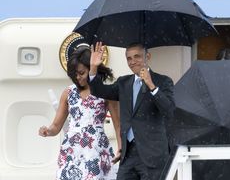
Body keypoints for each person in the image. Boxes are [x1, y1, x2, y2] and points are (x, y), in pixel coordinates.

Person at [89, 42, 175, 180]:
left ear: (148, 56)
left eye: (137, 57)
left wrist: (151, 85)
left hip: (153, 155)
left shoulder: (163, 81)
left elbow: (169, 111)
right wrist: (93, 67)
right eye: (129, 58)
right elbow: (100, 91)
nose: (133, 61)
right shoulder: (124, 82)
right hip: (128, 155)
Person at [38, 46, 121, 180]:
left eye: (81, 73)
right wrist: (47, 131)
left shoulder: (106, 91)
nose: (77, 77)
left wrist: (121, 148)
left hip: (96, 149)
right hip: (72, 150)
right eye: (74, 74)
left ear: (91, 68)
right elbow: (56, 126)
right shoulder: (68, 93)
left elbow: (118, 125)